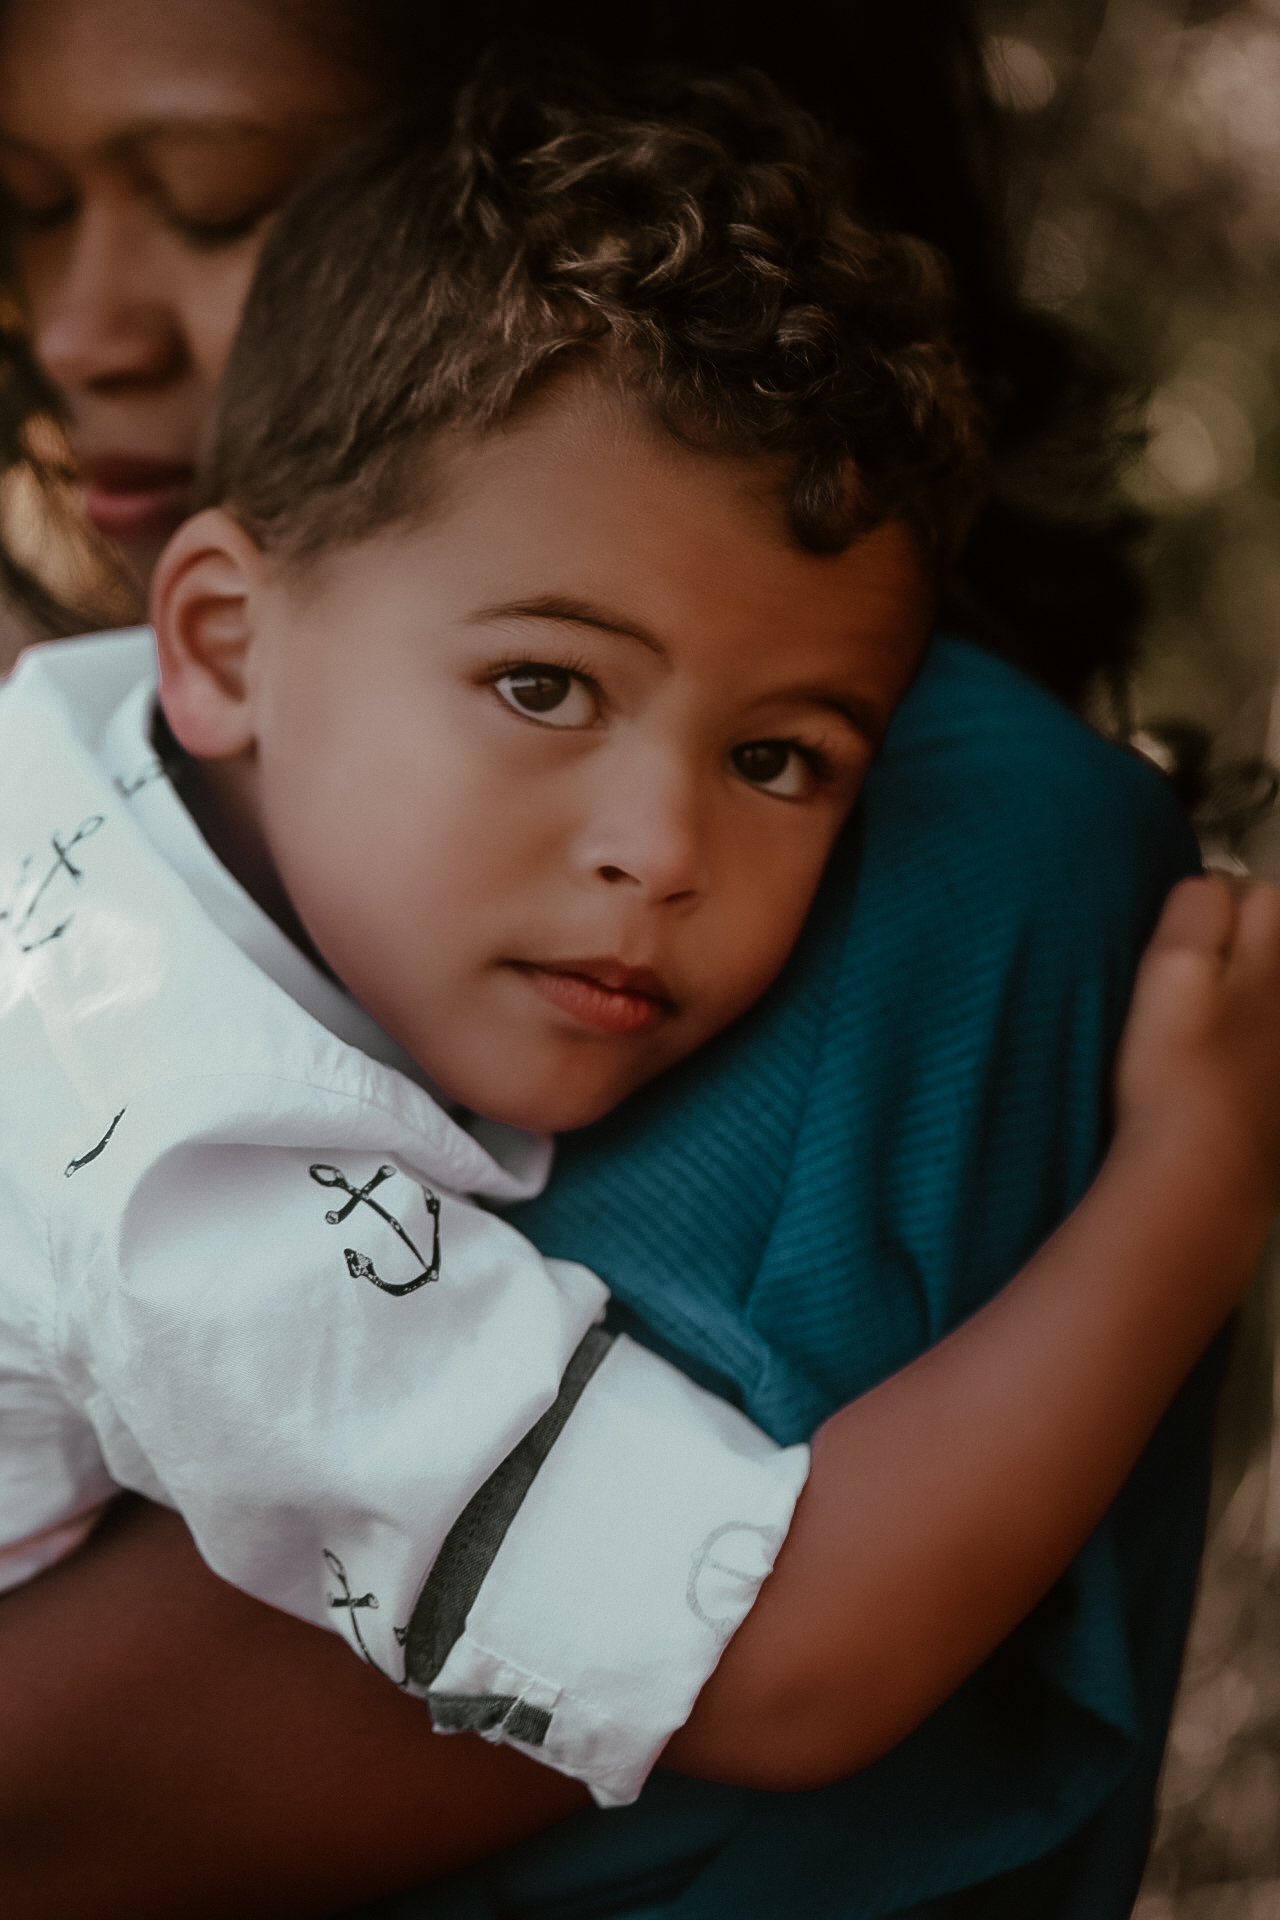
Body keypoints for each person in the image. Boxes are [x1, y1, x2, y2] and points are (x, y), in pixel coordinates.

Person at [0, 6, 1217, 1919]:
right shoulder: (202, 1160)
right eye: (544, 685)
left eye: (780, 759)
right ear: (219, 639)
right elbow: (774, 1660)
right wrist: (1198, 1183)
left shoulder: (80, 752)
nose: (663, 851)